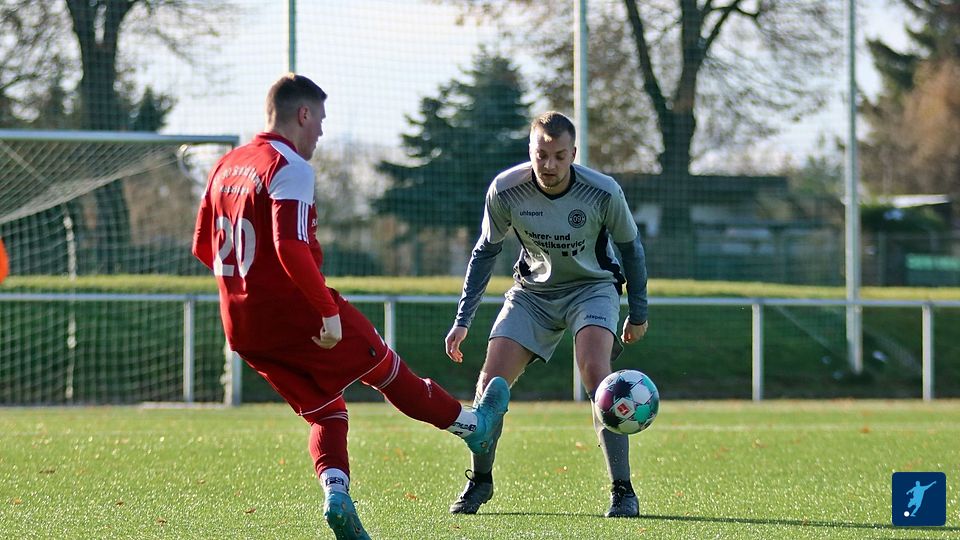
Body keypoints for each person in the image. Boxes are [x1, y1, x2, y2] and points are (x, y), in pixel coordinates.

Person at [192, 73, 510, 540]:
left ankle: (336, 495)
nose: (321, 132)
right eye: (320, 121)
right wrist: (325, 311)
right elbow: (288, 246)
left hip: (242, 327)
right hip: (297, 311)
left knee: (326, 412)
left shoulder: (226, 165)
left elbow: (203, 247)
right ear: (303, 114)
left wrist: (249, 287)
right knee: (386, 370)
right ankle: (473, 427)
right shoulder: (289, 166)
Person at [444, 111, 649, 518]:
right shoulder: (506, 189)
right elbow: (485, 252)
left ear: (573, 153)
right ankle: (481, 480)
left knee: (597, 373)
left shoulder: (603, 192)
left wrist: (638, 312)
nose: (549, 165)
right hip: (532, 294)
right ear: (530, 151)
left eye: (559, 155)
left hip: (592, 289)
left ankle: (623, 490)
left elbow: (631, 249)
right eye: (541, 155)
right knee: (490, 384)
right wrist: (462, 320)